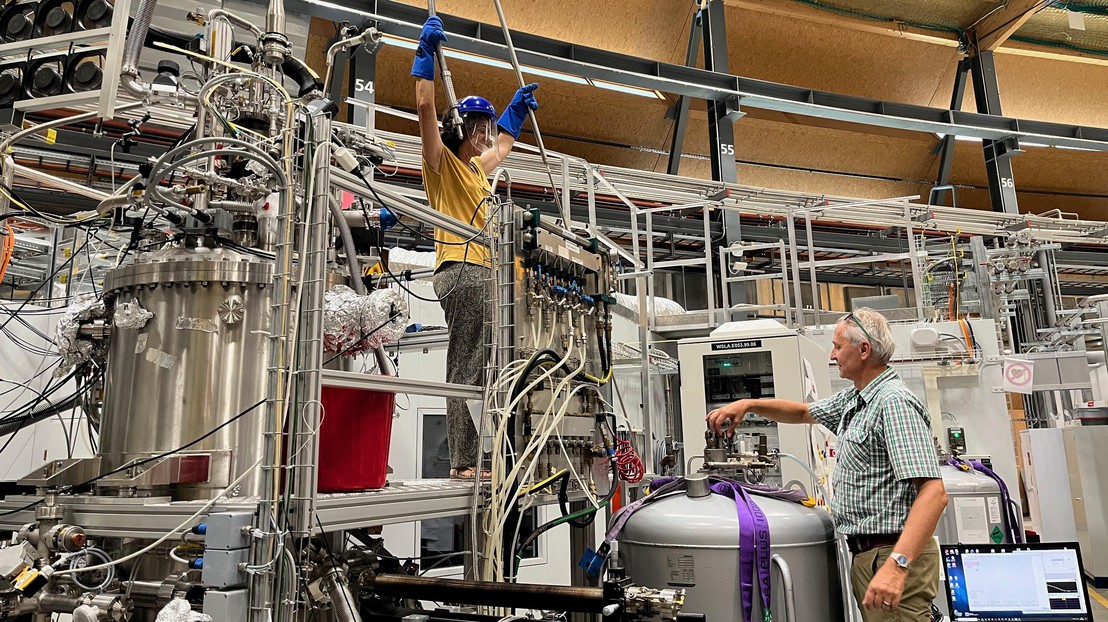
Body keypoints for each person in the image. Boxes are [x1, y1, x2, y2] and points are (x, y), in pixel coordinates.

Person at [706, 308, 948, 621]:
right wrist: (748, 404)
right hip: (868, 554)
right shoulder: (856, 399)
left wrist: (897, 566)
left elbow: (934, 492)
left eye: (837, 346)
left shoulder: (893, 402)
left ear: (863, 350)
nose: (832, 354)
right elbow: (803, 412)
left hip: (890, 553)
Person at [411, 16, 539, 479]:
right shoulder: (441, 164)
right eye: (478, 126)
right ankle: (464, 460)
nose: (485, 134)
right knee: (466, 366)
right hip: (461, 269)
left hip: (483, 273)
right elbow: (426, 110)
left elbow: (501, 149)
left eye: (487, 126)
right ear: (459, 127)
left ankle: (487, 453)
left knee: (487, 368)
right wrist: (424, 59)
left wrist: (514, 112)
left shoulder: (477, 172)